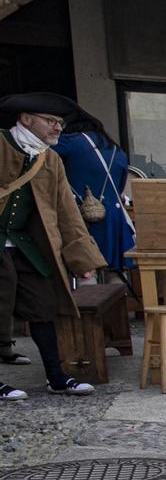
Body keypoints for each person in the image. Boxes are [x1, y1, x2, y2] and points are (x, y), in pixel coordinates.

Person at [0, 92, 107, 399]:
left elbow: (66, 212)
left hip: (26, 243)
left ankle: (56, 377)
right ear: (25, 118)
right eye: (50, 121)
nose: (57, 128)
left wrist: (82, 257)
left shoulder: (51, 159)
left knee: (43, 306)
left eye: (60, 122)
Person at [53, 110, 135, 274]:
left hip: (83, 215)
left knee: (87, 270)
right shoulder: (115, 149)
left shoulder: (72, 142)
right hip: (113, 215)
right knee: (116, 272)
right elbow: (119, 186)